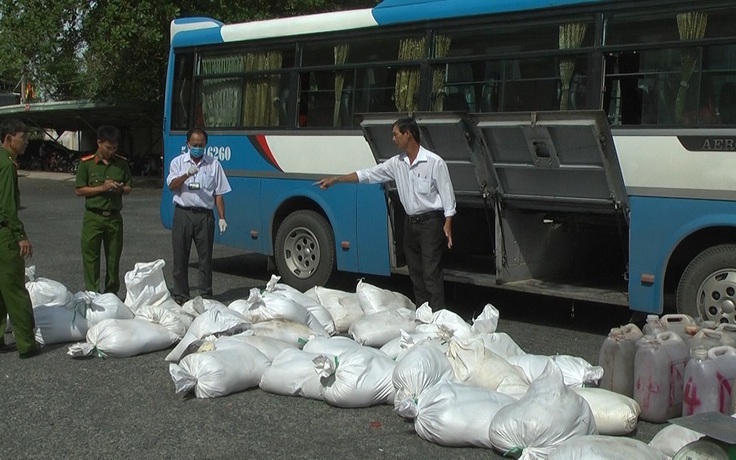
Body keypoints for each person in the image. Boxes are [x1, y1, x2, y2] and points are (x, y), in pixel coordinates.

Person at [317, 117, 456, 310]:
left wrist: (448, 222)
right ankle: (424, 314)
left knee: (431, 273)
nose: (393, 139)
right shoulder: (396, 163)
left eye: (396, 134)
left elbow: (446, 192)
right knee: (415, 273)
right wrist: (337, 179)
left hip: (430, 224)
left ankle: (439, 315)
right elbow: (368, 174)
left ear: (408, 134)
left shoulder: (434, 162)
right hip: (410, 224)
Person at [167, 127, 231, 304]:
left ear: (206, 145)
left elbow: (219, 193)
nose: (197, 147)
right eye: (194, 144)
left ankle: (205, 295)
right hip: (183, 214)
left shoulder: (214, 164)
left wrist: (222, 217)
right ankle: (181, 295)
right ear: (187, 144)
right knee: (180, 256)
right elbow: (172, 186)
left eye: (201, 144)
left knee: (205, 257)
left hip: (205, 215)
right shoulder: (178, 162)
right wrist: (186, 174)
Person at [75, 125, 133, 295]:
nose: (111, 151)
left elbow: (129, 187)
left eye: (114, 148)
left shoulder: (121, 164)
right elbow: (79, 190)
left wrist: (120, 189)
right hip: (93, 217)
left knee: (113, 259)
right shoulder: (86, 164)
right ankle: (92, 293)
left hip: (114, 218)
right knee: (91, 257)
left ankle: (111, 294)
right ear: (99, 143)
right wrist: (103, 188)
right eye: (108, 147)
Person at [0, 119, 41, 358]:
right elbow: (7, 208)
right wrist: (21, 236)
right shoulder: (7, 166)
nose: (26, 142)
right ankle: (26, 343)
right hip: (5, 234)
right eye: (22, 138)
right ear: (8, 139)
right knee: (15, 289)